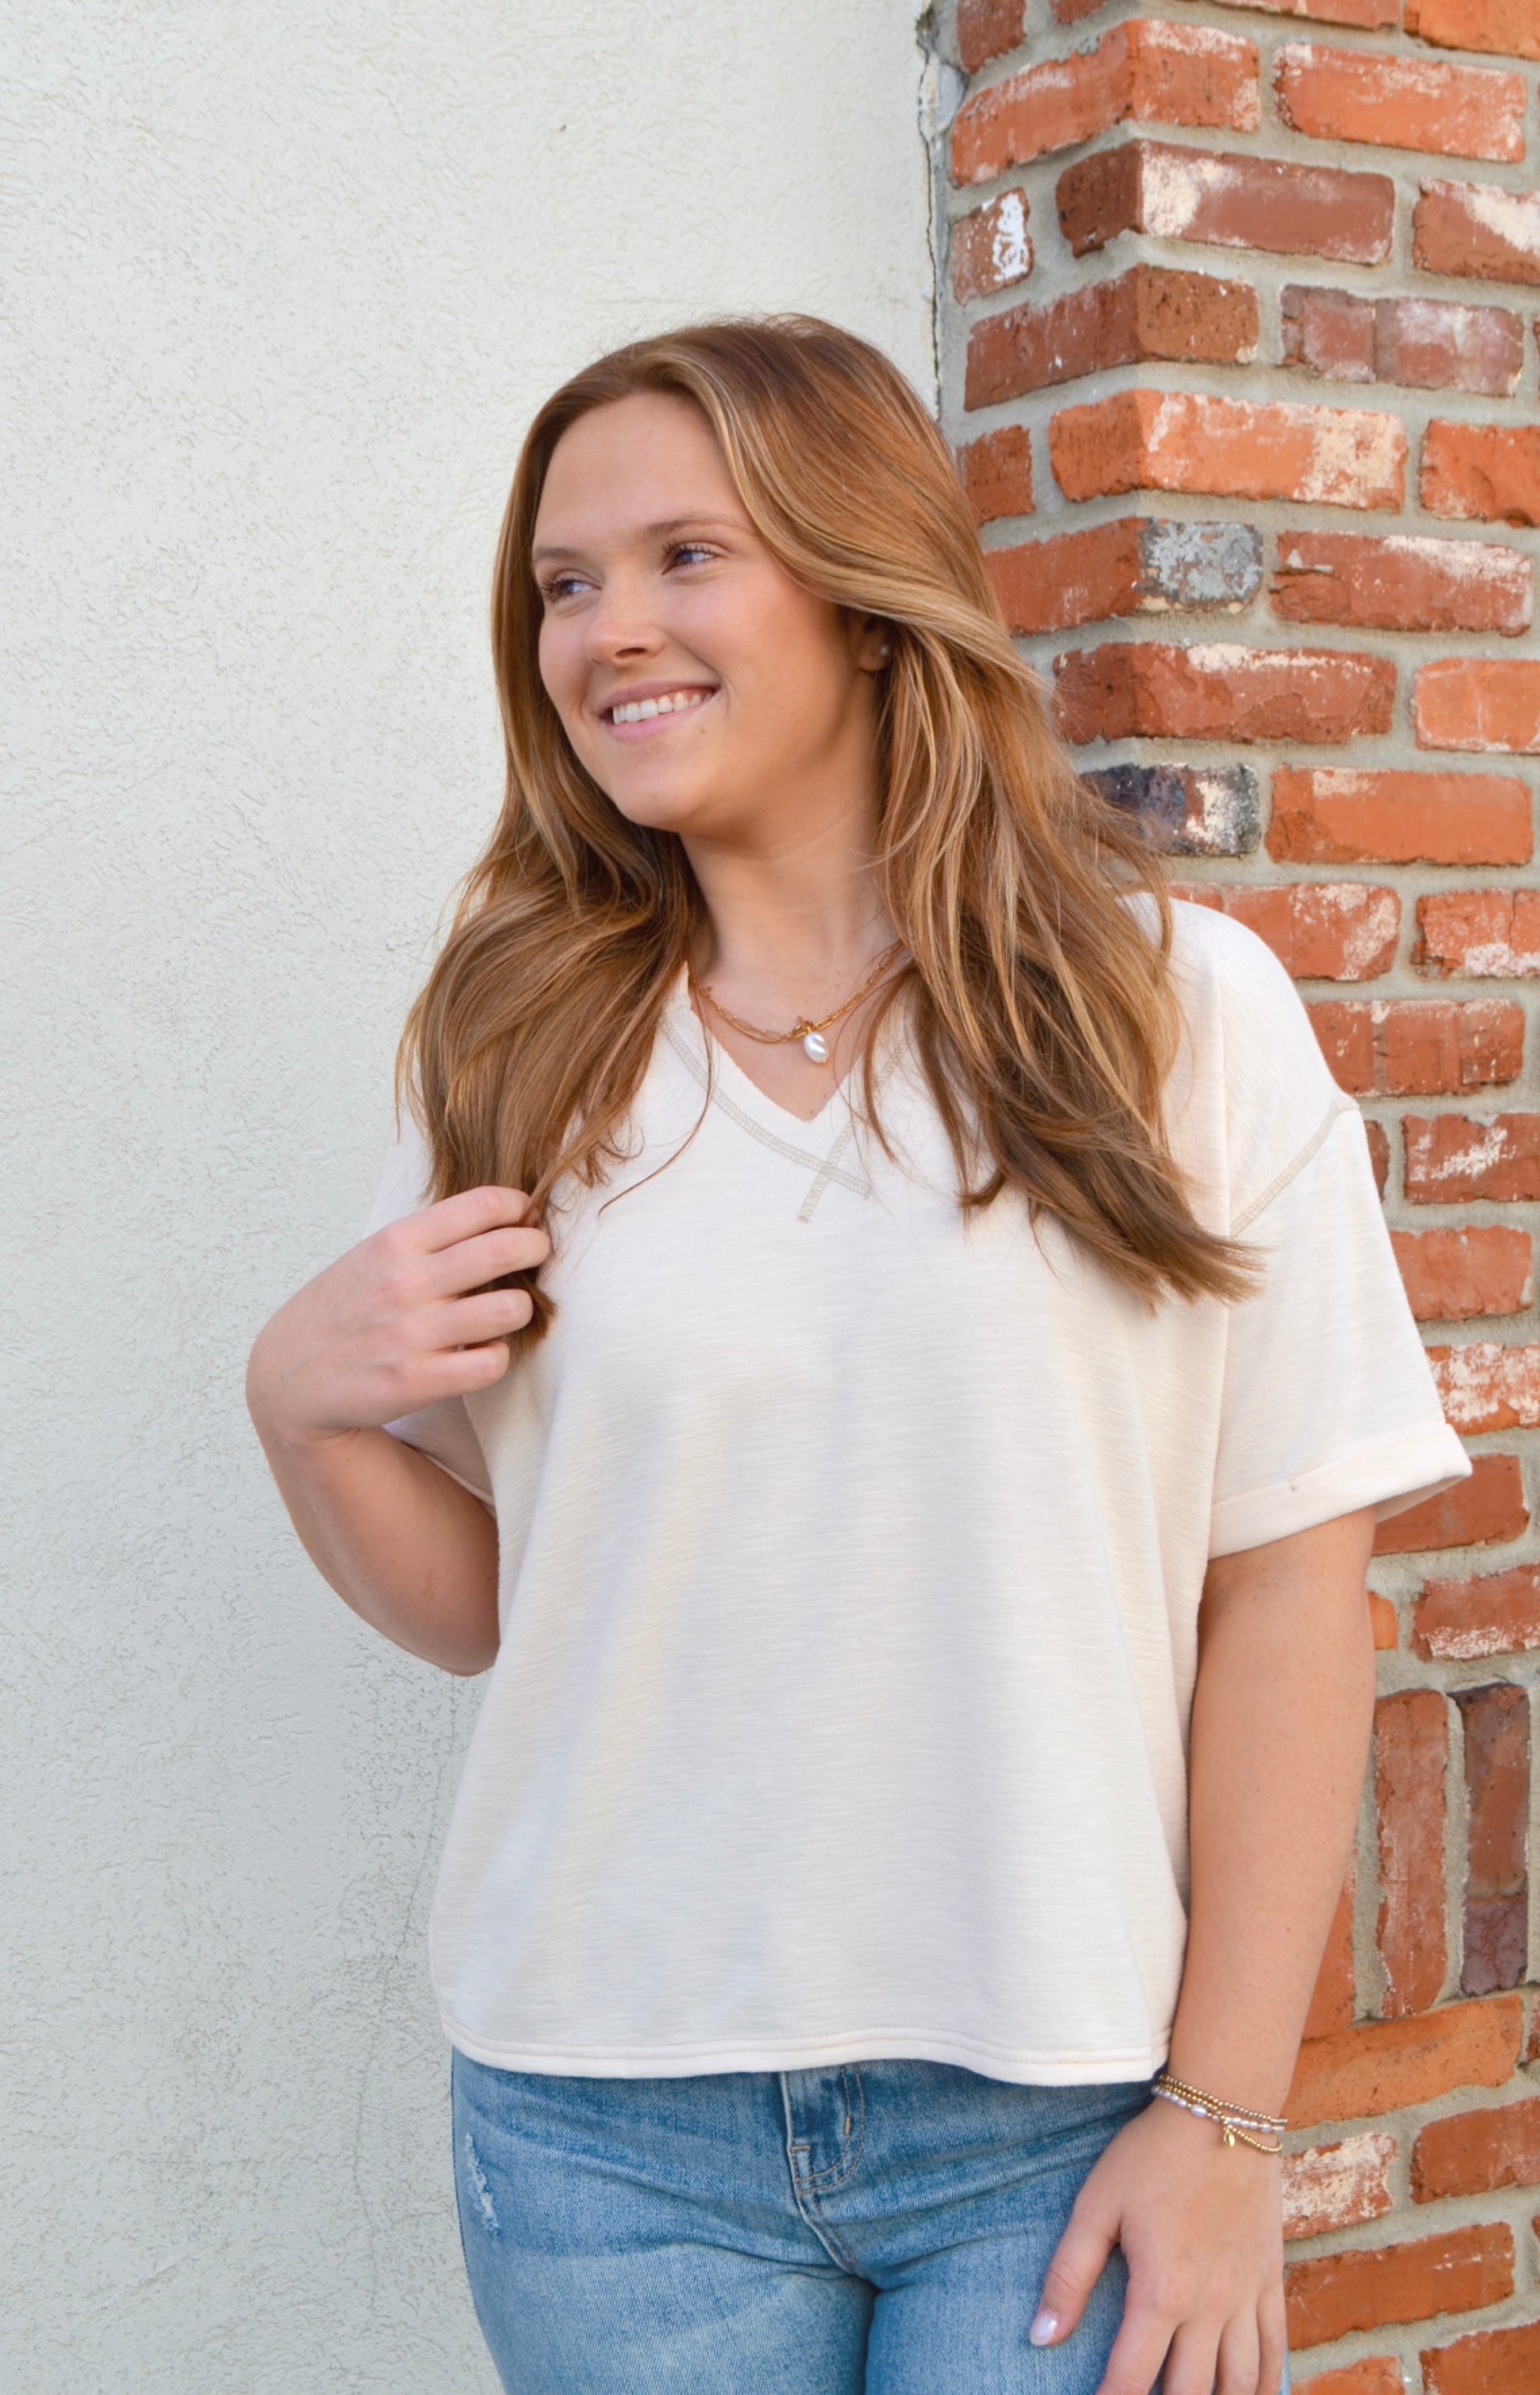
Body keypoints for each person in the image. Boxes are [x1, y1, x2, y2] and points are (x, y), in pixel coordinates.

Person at [246, 316, 1468, 2395]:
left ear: (863, 588)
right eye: (564, 582)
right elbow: (499, 1609)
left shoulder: (1171, 1011)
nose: (608, 629)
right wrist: (298, 1407)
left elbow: (1284, 1583)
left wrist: (1229, 2116)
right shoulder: (513, 1038)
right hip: (601, 2130)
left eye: (683, 556)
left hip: (1054, 2111)